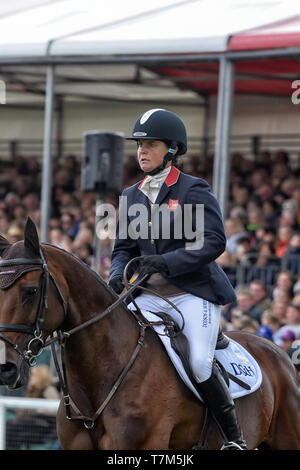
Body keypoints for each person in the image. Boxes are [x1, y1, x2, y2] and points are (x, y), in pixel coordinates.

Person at [109, 108, 247, 450]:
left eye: (150, 145)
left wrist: (167, 262)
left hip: (192, 292)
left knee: (199, 362)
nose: (141, 151)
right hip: (146, 293)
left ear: (171, 149)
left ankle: (234, 438)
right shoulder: (130, 195)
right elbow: (123, 248)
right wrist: (115, 274)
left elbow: (214, 241)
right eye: (139, 145)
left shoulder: (193, 190)